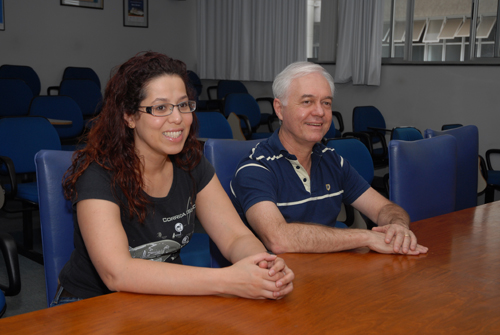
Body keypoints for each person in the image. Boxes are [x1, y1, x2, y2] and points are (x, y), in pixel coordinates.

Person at [52, 51, 294, 306]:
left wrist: (263, 266)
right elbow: (117, 273)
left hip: (160, 298)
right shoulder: (98, 174)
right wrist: (228, 280)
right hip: (91, 305)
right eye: (160, 107)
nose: (178, 118)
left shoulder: (191, 164)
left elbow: (236, 237)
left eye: (183, 104)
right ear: (129, 116)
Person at [230, 61, 428, 256]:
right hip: (276, 282)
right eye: (307, 102)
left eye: (326, 103)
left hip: (329, 275)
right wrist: (365, 237)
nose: (319, 112)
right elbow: (278, 239)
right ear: (279, 109)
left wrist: (397, 226)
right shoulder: (255, 168)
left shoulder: (332, 161)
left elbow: (384, 208)